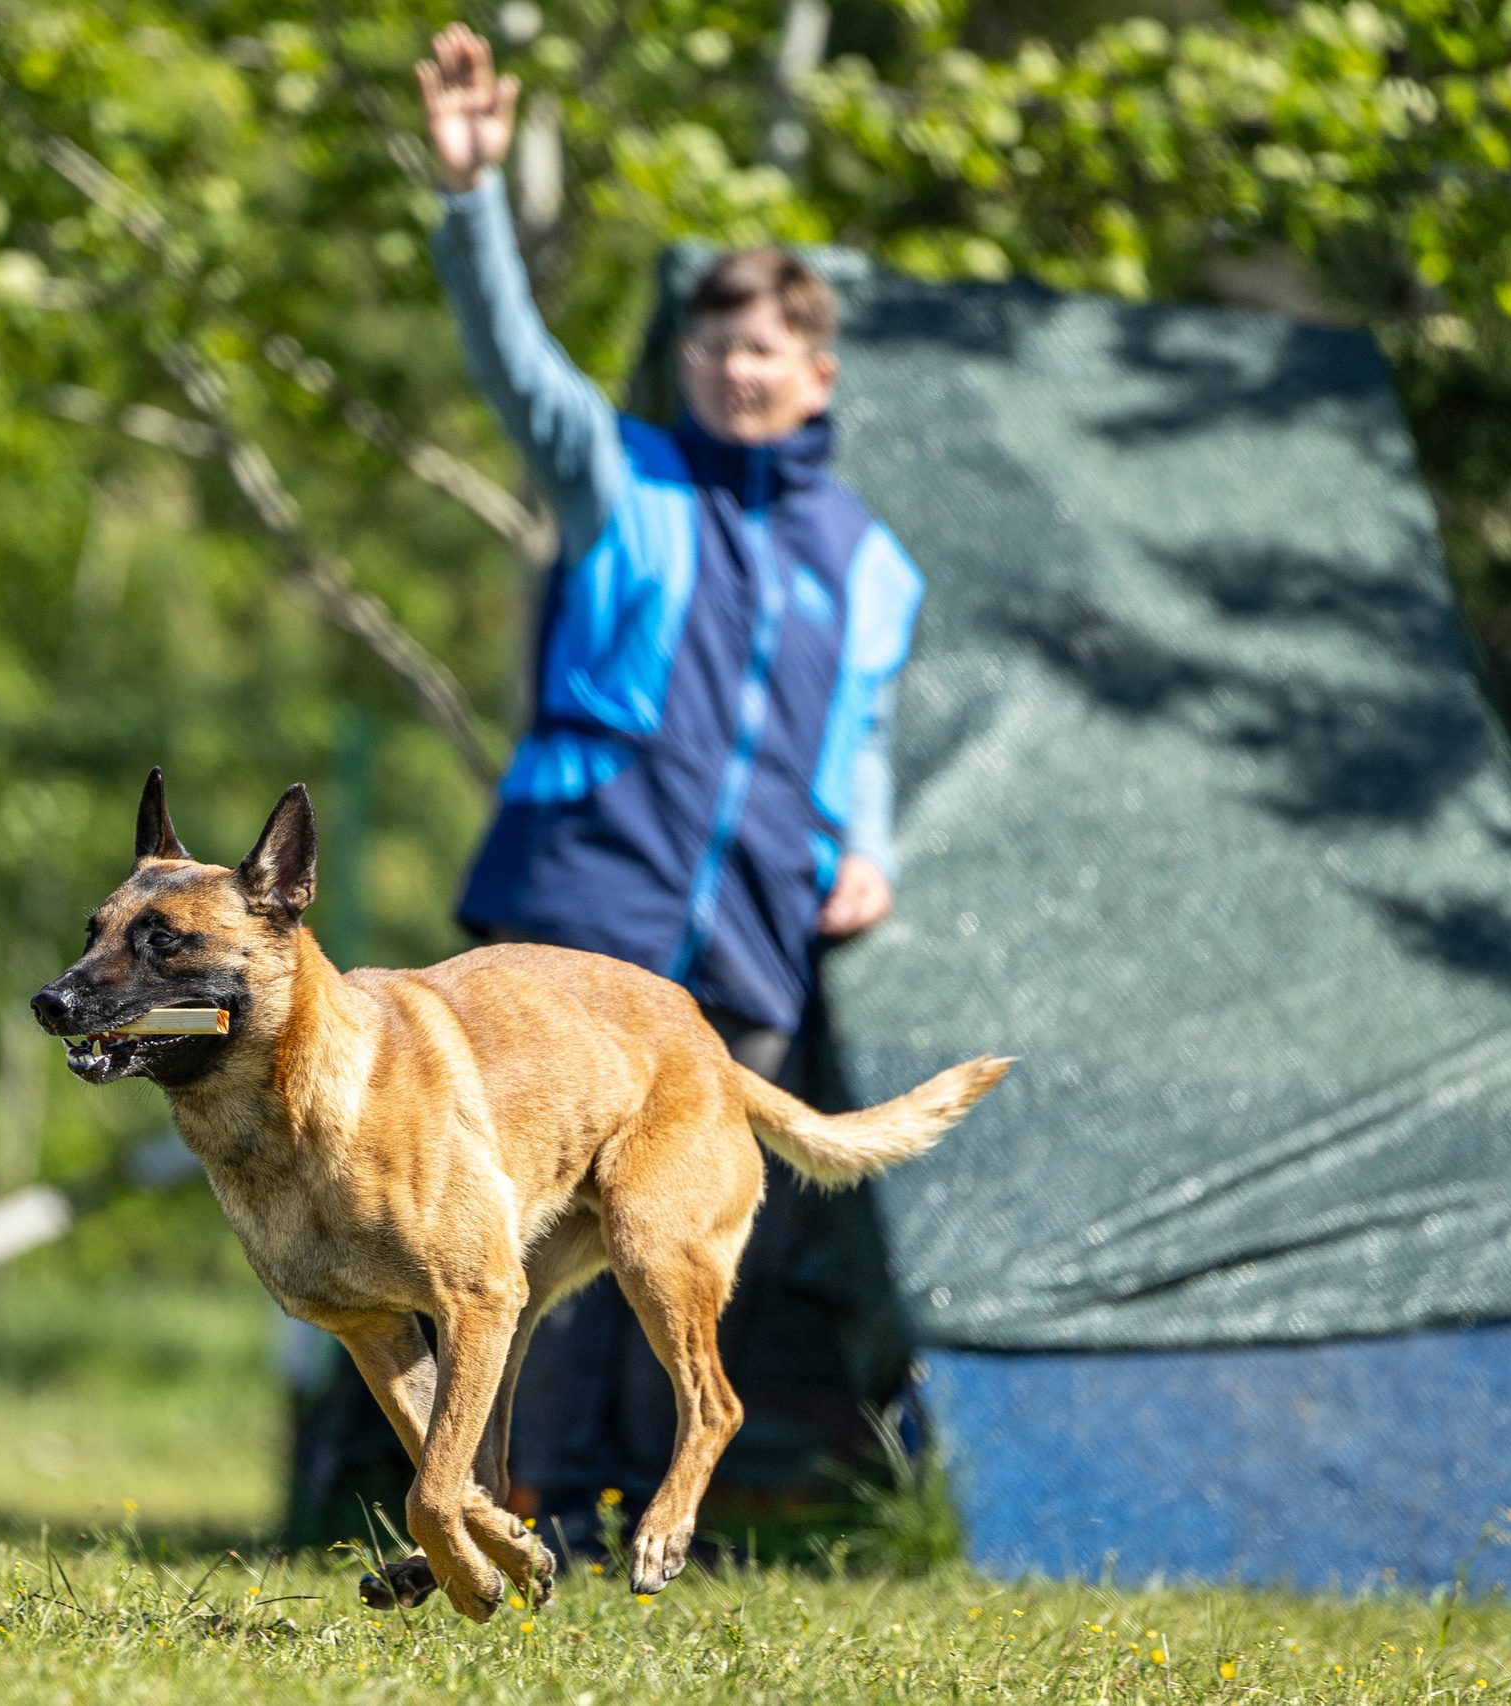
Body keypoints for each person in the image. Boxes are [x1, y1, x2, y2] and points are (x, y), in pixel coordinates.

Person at [418, 22, 926, 1537]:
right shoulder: (618, 474)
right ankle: (499, 1503)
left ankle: (627, 1515)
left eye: (760, 347)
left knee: (671, 1250)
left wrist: (868, 845)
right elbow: (510, 357)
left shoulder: (873, 563)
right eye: (709, 346)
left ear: (815, 368)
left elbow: (868, 736)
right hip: (574, 913)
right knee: (494, 1234)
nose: (730, 368)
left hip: (747, 942)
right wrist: (471, 198)